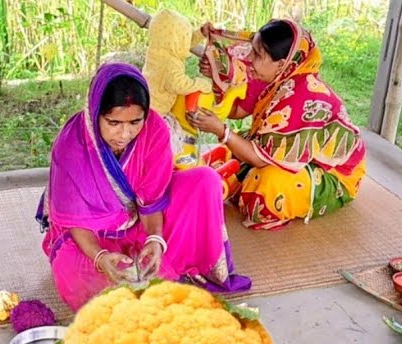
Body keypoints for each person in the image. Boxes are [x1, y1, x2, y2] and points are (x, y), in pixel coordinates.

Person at [37, 63, 252, 311]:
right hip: (88, 234)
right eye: (113, 122)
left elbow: (151, 201)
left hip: (138, 220)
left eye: (135, 122)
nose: (124, 134)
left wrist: (155, 239)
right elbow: (75, 221)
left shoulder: (154, 130)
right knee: (78, 276)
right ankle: (122, 272)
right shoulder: (71, 146)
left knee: (205, 181)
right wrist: (100, 257)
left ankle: (163, 261)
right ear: (96, 112)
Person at [186, 19, 367, 230]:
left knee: (266, 187)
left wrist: (221, 131)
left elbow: (259, 158)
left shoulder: (301, 97)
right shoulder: (273, 76)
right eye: (252, 50)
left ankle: (240, 183)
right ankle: (231, 179)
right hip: (289, 155)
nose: (249, 60)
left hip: (332, 172)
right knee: (236, 147)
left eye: (257, 54)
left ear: (281, 64)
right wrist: (214, 74)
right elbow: (237, 112)